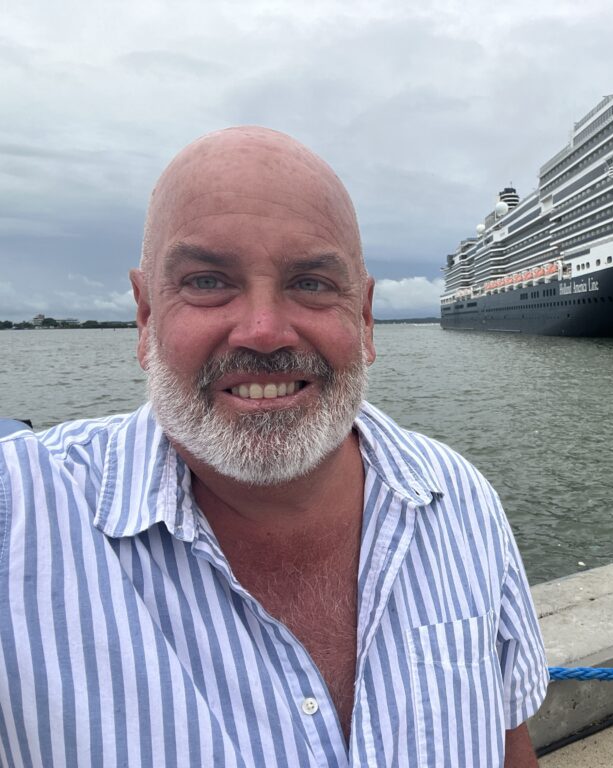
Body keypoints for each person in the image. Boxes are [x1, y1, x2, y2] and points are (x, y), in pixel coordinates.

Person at [0, 127, 548, 767]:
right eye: (207, 281)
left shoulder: (460, 501)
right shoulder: (20, 519)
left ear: (365, 320)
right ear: (146, 317)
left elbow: (508, 743)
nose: (263, 331)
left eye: (312, 283)